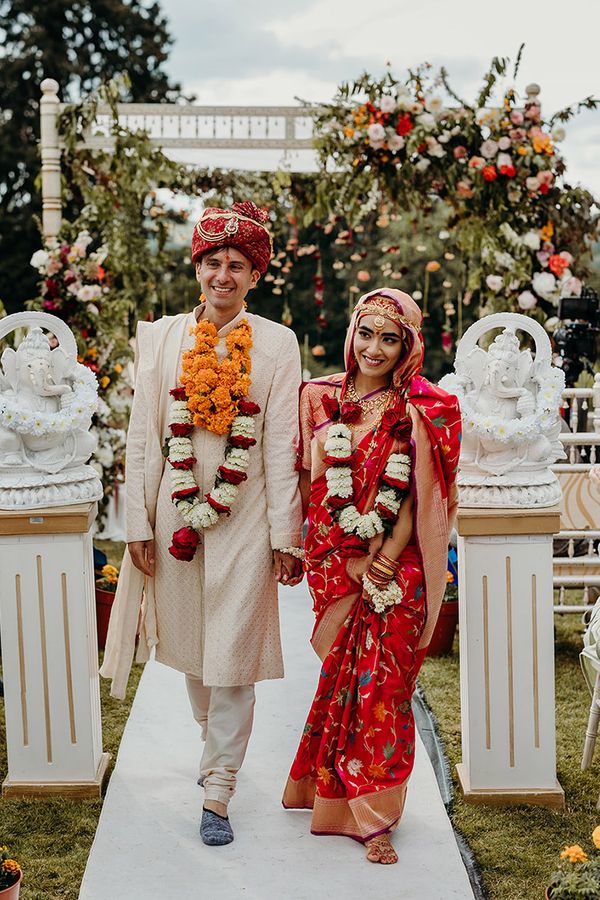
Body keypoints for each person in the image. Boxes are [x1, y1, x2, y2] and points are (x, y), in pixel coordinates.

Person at [101, 201, 303, 846]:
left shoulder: (276, 342)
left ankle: (219, 785)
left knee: (235, 649)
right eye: (213, 262)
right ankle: (208, 741)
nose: (223, 275)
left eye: (237, 265)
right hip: (175, 513)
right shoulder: (163, 337)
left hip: (246, 513)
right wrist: (137, 523)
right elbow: (142, 436)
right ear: (197, 267)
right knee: (191, 644)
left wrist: (284, 535)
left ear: (255, 275)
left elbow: (280, 444)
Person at [282, 289, 461, 864]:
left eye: (390, 338)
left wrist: (386, 553)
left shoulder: (423, 407)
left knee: (384, 692)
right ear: (351, 332)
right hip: (335, 560)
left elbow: (418, 493)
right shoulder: (317, 398)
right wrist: (330, 550)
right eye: (367, 333)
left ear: (408, 346)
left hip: (397, 565)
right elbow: (308, 482)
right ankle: (334, 797)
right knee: (346, 685)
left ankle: (377, 815)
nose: (375, 348)